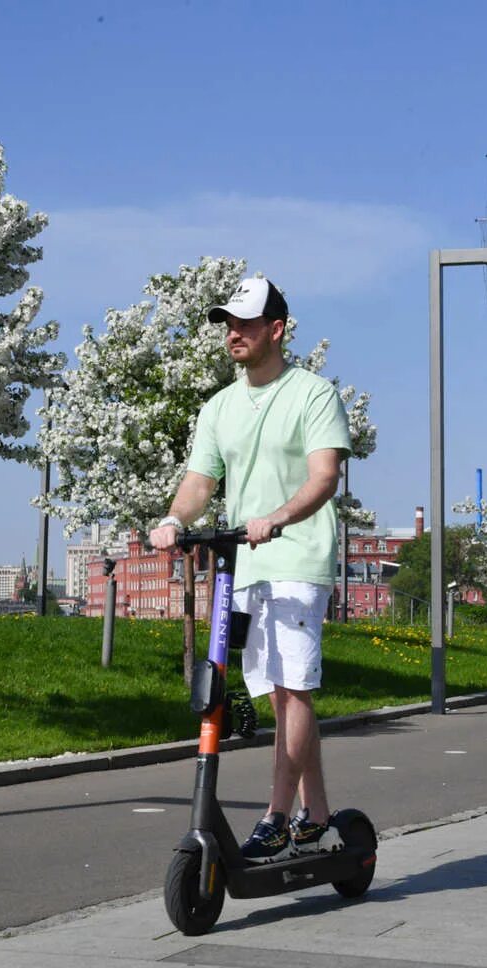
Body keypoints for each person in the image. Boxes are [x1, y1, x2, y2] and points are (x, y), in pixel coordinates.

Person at [149, 276, 352, 863]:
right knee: (280, 695)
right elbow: (199, 482)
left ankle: (276, 816)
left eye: (244, 323)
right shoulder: (219, 406)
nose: (232, 333)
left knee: (293, 689)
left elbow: (323, 477)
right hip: (244, 566)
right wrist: (173, 520)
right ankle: (316, 816)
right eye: (227, 324)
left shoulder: (313, 394)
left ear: (276, 329)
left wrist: (278, 517)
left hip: (295, 558)